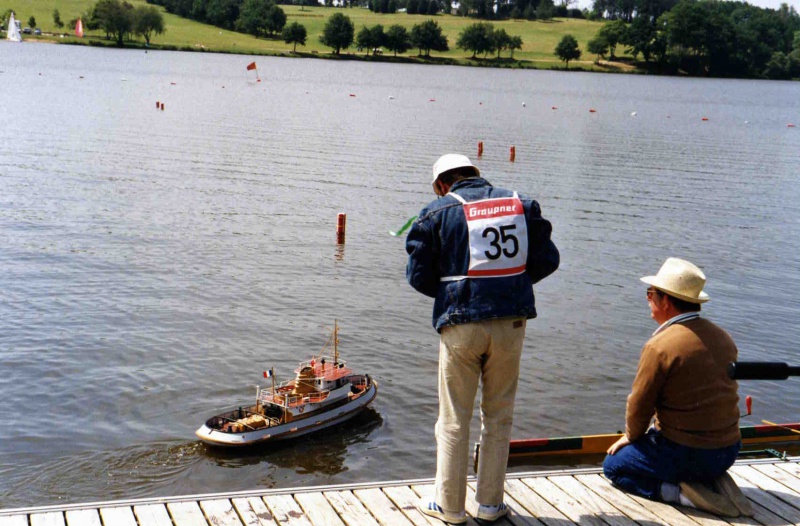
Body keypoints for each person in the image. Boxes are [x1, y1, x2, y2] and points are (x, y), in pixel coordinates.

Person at [406, 153, 559, 524]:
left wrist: (451, 292)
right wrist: (510, 287)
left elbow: (418, 275)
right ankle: (490, 504)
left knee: (454, 418)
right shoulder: (521, 205)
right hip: (511, 323)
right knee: (499, 414)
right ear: (476, 175)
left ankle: (450, 507)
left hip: (461, 322)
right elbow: (548, 259)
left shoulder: (435, 213)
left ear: (443, 184)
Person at [603, 257, 752, 517]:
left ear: (666, 301)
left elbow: (639, 404)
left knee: (614, 466)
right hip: (729, 450)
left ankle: (686, 495)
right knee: (690, 451)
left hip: (686, 454)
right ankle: (711, 478)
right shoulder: (723, 337)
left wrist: (631, 437)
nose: (647, 300)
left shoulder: (660, 346)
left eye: (650, 294)